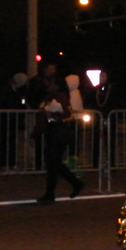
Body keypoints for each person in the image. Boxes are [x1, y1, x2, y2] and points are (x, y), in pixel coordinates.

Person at [34, 74, 84, 205]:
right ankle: (74, 184)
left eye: (49, 82)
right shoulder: (53, 96)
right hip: (55, 132)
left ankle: (51, 194)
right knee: (54, 164)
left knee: (53, 164)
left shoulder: (60, 97)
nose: (47, 84)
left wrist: (54, 116)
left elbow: (67, 115)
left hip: (58, 133)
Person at [0, 72, 28, 171]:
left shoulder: (16, 91)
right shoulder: (7, 91)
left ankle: (11, 163)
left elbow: (21, 104)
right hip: (6, 119)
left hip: (12, 120)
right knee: (5, 143)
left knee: (11, 142)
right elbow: (9, 104)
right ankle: (4, 164)